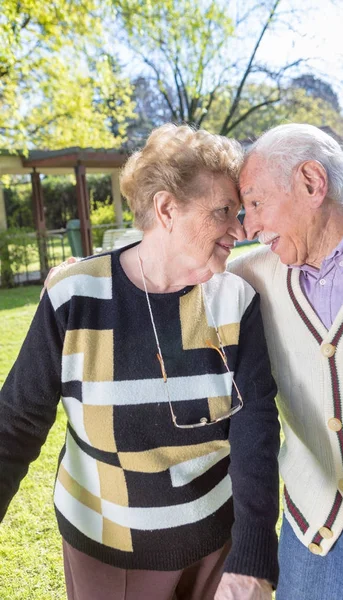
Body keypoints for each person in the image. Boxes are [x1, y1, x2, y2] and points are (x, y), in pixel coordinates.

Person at [0, 124, 280, 600]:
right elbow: (17, 422)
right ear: (166, 208)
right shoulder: (76, 295)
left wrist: (252, 556)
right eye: (223, 213)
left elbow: (255, 428)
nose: (241, 229)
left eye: (239, 213)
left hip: (217, 547)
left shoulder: (235, 300)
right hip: (107, 550)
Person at [230, 123, 343, 600]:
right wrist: (94, 268)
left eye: (257, 204)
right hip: (314, 521)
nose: (249, 227)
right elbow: (173, 266)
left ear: (311, 182)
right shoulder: (252, 276)